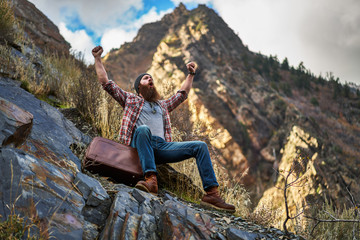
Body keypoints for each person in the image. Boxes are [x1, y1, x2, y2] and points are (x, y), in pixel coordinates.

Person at [92, 45, 235, 213]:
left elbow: (182, 94)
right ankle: (151, 180)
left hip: (161, 147)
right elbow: (106, 83)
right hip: (139, 145)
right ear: (139, 87)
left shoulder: (163, 106)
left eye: (151, 78)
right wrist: (97, 59)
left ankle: (212, 194)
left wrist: (191, 74)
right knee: (143, 129)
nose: (150, 79)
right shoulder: (131, 100)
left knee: (200, 146)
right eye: (145, 78)